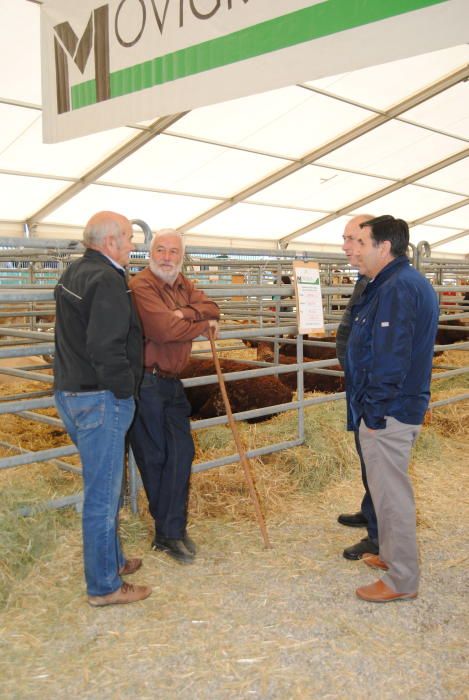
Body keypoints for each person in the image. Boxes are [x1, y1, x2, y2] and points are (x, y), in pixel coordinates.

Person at [54, 211, 152, 607]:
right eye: (128, 238)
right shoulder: (109, 281)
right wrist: (125, 390)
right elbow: (106, 347)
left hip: (71, 393)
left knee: (102, 484)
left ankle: (112, 561)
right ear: (110, 242)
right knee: (103, 495)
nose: (132, 244)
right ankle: (104, 586)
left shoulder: (74, 273)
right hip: (100, 398)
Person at [344, 215, 438, 602]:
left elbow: (390, 358)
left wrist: (375, 412)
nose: (352, 250)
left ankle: (402, 581)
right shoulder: (397, 282)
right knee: (386, 493)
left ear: (384, 247)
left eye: (360, 242)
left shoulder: (397, 288)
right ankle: (390, 556)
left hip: (391, 410)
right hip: (396, 405)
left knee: (392, 495)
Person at [129, 229, 220, 564]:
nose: (167, 257)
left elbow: (212, 307)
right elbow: (162, 330)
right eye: (161, 250)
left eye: (173, 251)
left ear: (182, 256)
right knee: (154, 457)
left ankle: (172, 529)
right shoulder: (142, 285)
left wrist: (187, 313)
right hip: (146, 382)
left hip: (171, 383)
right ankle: (168, 533)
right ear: (150, 252)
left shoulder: (182, 283)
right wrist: (199, 323)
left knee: (181, 453)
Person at [335, 214, 379, 561]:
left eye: (354, 239)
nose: (347, 246)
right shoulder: (364, 279)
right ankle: (371, 510)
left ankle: (378, 536)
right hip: (358, 383)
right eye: (347, 238)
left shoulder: (383, 283)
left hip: (371, 388)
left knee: (376, 459)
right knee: (366, 455)